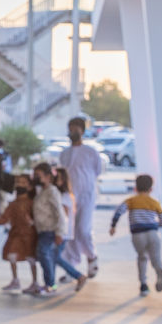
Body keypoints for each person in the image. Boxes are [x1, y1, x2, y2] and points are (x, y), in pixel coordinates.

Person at [30, 165, 86, 295]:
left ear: (48, 176)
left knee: (47, 255)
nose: (36, 178)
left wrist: (60, 232)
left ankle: (53, 284)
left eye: (38, 175)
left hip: (52, 230)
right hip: (44, 230)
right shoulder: (43, 192)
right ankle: (55, 283)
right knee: (51, 257)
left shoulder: (53, 192)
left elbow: (61, 214)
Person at [63, 116, 105, 277]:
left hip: (87, 195)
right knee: (70, 231)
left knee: (83, 230)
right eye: (71, 129)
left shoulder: (91, 152)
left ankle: (91, 256)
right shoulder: (65, 153)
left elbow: (97, 170)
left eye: (76, 129)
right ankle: (71, 266)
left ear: (82, 131)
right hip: (70, 196)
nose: (73, 132)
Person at [117, 174, 162, 294]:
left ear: (136, 188)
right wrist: (155, 225)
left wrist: (113, 226)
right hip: (153, 233)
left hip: (137, 235)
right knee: (156, 258)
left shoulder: (131, 201)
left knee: (142, 257)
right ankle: (160, 270)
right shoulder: (154, 202)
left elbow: (119, 212)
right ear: (151, 189)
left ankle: (143, 285)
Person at [0, 176, 38, 292]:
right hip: (15, 234)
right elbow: (4, 218)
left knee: (30, 258)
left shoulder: (32, 203)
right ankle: (15, 279)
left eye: (23, 183)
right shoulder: (13, 204)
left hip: (29, 235)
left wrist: (31, 222)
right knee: (12, 255)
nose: (20, 185)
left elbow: (38, 219)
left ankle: (35, 281)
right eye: (18, 182)